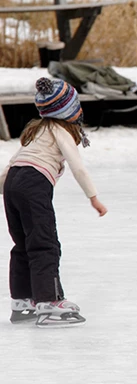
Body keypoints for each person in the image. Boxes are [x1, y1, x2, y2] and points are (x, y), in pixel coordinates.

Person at [1, 78, 107, 327]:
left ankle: (22, 300)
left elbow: (13, 163)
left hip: (14, 181)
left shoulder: (37, 130)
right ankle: (48, 302)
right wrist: (93, 197)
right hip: (33, 184)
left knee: (23, 244)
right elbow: (78, 167)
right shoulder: (60, 130)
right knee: (44, 243)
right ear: (69, 109)